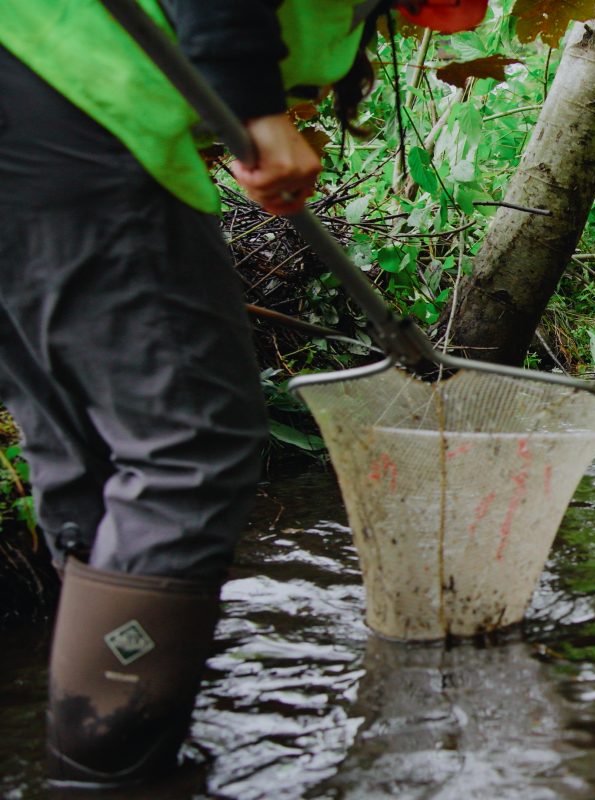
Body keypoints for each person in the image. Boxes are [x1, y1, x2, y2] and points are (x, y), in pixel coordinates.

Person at [0, 0, 485, 787]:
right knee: (190, 446)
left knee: (82, 442)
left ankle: (93, 734)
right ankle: (109, 772)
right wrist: (253, 103)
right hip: (87, 93)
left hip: (33, 93)